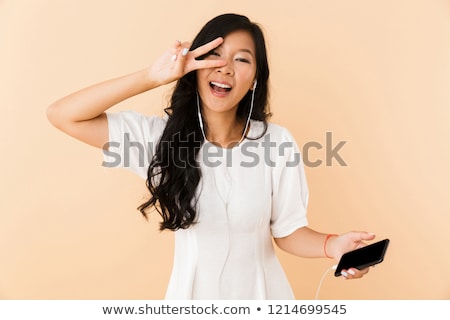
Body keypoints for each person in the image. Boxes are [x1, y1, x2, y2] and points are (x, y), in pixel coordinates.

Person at [47, 13, 376, 299]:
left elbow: (288, 232)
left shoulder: (277, 142)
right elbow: (63, 115)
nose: (226, 68)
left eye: (242, 59)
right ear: (194, 66)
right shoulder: (159, 140)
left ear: (254, 79)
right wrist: (152, 76)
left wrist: (334, 246)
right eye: (215, 55)